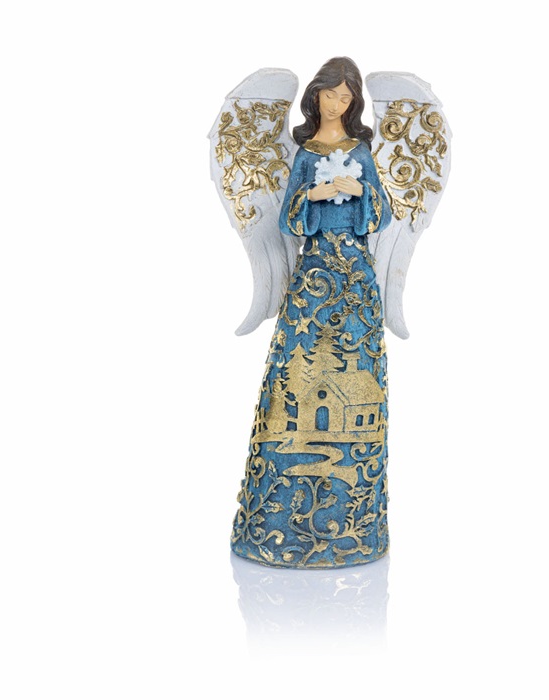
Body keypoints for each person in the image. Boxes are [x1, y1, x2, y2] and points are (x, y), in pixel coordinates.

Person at [230, 57, 393, 568]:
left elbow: (383, 214)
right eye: (331, 94)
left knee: (356, 372)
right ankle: (279, 515)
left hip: (356, 278)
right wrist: (315, 193)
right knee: (297, 370)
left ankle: (354, 521)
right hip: (314, 274)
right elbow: (288, 220)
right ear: (316, 96)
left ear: (354, 102)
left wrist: (361, 191)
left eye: (347, 97)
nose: (337, 104)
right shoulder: (304, 154)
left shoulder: (362, 152)